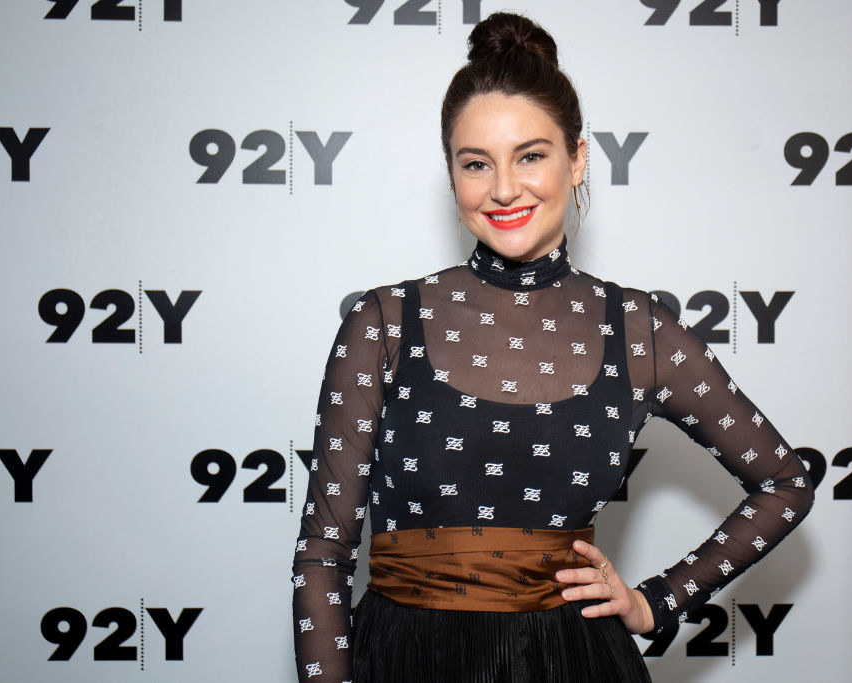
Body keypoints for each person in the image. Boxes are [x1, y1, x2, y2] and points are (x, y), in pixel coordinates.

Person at [292, 11, 815, 682]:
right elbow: (324, 552)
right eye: (476, 162)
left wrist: (659, 600)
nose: (504, 188)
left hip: (577, 662)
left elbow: (784, 482)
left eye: (530, 155)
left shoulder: (639, 329)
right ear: (451, 176)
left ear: (577, 159)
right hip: (406, 661)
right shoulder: (386, 322)